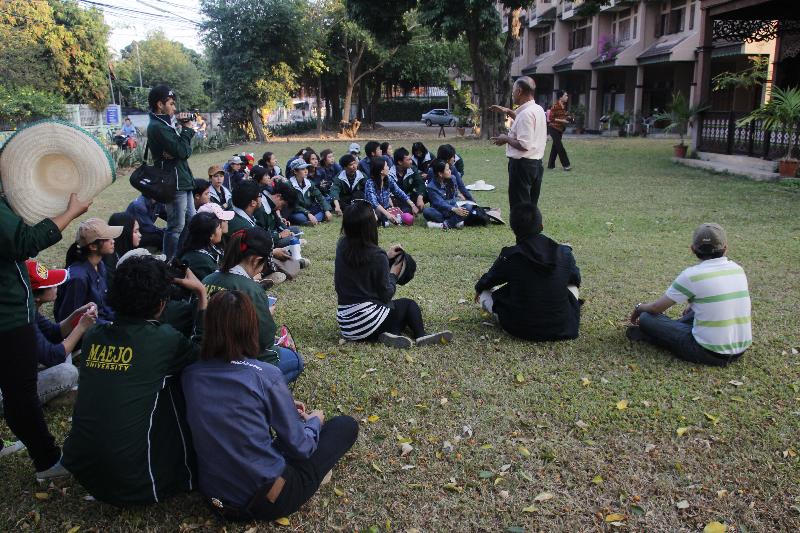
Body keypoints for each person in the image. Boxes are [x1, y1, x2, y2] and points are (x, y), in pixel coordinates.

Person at [181, 290, 358, 522]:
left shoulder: (190, 375)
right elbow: (300, 447)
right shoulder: (266, 375)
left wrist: (277, 404)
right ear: (251, 327)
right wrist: (315, 421)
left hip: (214, 500)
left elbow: (229, 409)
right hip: (266, 500)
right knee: (345, 426)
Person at [62, 255, 207, 505]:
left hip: (82, 468)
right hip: (134, 482)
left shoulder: (94, 334)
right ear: (161, 304)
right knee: (180, 382)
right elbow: (202, 353)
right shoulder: (164, 339)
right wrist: (202, 294)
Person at [0, 191, 90, 477]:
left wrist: (74, 321)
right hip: (8, 316)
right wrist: (70, 212)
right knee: (21, 394)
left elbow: (51, 332)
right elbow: (24, 242)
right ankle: (48, 461)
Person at [626, 223, 751, 366]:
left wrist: (639, 307)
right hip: (740, 350)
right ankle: (667, 330)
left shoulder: (692, 275)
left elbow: (655, 308)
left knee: (646, 317)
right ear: (725, 248)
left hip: (706, 351)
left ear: (692, 249)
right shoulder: (738, 269)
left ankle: (654, 336)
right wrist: (693, 305)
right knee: (696, 312)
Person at [334, 201, 452, 349]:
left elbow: (363, 266)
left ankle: (388, 333)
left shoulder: (341, 246)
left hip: (346, 325)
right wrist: (394, 274)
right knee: (408, 305)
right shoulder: (377, 256)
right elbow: (386, 295)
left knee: (390, 313)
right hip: (368, 322)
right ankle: (421, 336)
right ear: (369, 226)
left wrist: (386, 256)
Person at [202, 227, 304, 382]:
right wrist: (265, 315)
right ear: (256, 260)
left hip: (207, 357)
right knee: (296, 361)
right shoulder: (252, 289)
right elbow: (265, 340)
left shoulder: (207, 280)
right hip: (239, 360)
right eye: (265, 263)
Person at [0, 260, 96, 417]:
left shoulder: (25, 307)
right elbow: (53, 356)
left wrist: (76, 315)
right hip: (5, 394)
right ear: (36, 297)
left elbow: (53, 333)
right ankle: (51, 397)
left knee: (63, 350)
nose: (56, 286)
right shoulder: (22, 319)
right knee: (68, 372)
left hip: (15, 371)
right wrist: (81, 327)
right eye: (51, 285)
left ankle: (51, 393)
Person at [475, 203, 581, 341]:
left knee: (484, 293)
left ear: (513, 229)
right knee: (572, 285)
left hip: (520, 328)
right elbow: (575, 279)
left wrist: (479, 288)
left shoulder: (510, 256)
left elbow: (487, 281)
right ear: (541, 226)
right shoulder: (564, 252)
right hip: (563, 327)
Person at [146, 84, 196, 260]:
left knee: (191, 221)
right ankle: (169, 262)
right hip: (173, 183)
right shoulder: (158, 126)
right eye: (171, 103)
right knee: (176, 226)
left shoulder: (166, 124)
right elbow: (182, 151)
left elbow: (183, 151)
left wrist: (181, 145)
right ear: (160, 104)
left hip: (182, 180)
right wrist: (187, 130)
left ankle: (181, 256)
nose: (174, 108)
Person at [489, 76, 547, 209]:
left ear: (519, 91)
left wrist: (506, 138)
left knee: (520, 208)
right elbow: (525, 124)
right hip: (535, 165)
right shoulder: (537, 109)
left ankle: (523, 224)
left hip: (522, 166)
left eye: (513, 91)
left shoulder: (526, 114)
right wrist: (508, 111)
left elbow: (524, 145)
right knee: (530, 207)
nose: (512, 94)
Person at [55, 218, 122, 324]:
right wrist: (110, 325)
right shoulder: (78, 278)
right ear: (93, 246)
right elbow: (71, 320)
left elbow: (103, 307)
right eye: (107, 238)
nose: (113, 241)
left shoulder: (99, 265)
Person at [364, 157, 418, 225]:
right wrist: (388, 215)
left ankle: (386, 221)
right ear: (381, 171)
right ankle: (383, 221)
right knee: (376, 216)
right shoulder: (370, 183)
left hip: (387, 209)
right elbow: (374, 203)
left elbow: (399, 192)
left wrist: (412, 205)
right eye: (386, 166)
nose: (388, 167)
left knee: (407, 213)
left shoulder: (388, 179)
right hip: (374, 210)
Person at [423, 159, 468, 230]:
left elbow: (454, 192)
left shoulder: (452, 178)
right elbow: (439, 202)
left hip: (454, 210)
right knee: (427, 211)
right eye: (447, 170)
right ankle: (454, 222)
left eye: (449, 169)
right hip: (441, 211)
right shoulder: (431, 187)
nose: (450, 171)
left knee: (468, 207)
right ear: (440, 174)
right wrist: (453, 209)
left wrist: (458, 195)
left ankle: (442, 225)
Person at [179, 212, 225, 281]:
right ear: (211, 236)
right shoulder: (202, 262)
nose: (221, 230)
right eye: (219, 228)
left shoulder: (203, 248)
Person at [288, 159, 332, 226]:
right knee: (300, 217)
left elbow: (319, 196)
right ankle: (314, 219)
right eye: (302, 169)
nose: (306, 171)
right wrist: (308, 213)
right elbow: (294, 205)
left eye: (306, 168)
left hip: (310, 208)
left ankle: (312, 220)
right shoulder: (289, 184)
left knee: (326, 204)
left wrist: (327, 210)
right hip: (297, 210)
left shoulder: (309, 182)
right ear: (295, 171)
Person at [103, 212, 141, 276]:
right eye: (135, 231)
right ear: (125, 232)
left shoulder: (129, 251)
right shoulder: (109, 259)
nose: (140, 235)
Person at [390, 148, 426, 213]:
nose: (411, 161)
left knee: (426, 193)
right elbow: (394, 194)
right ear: (400, 162)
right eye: (408, 160)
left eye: (410, 159)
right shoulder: (391, 174)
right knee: (406, 210)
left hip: (410, 196)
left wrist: (420, 197)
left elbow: (420, 183)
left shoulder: (412, 169)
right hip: (398, 200)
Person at [547, 90, 572, 171]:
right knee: (560, 147)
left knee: (555, 147)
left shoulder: (563, 106)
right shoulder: (555, 106)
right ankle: (566, 165)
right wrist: (563, 121)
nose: (567, 97)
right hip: (553, 128)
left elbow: (562, 116)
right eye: (565, 96)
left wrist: (568, 117)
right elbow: (551, 118)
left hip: (560, 129)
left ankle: (550, 165)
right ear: (561, 97)